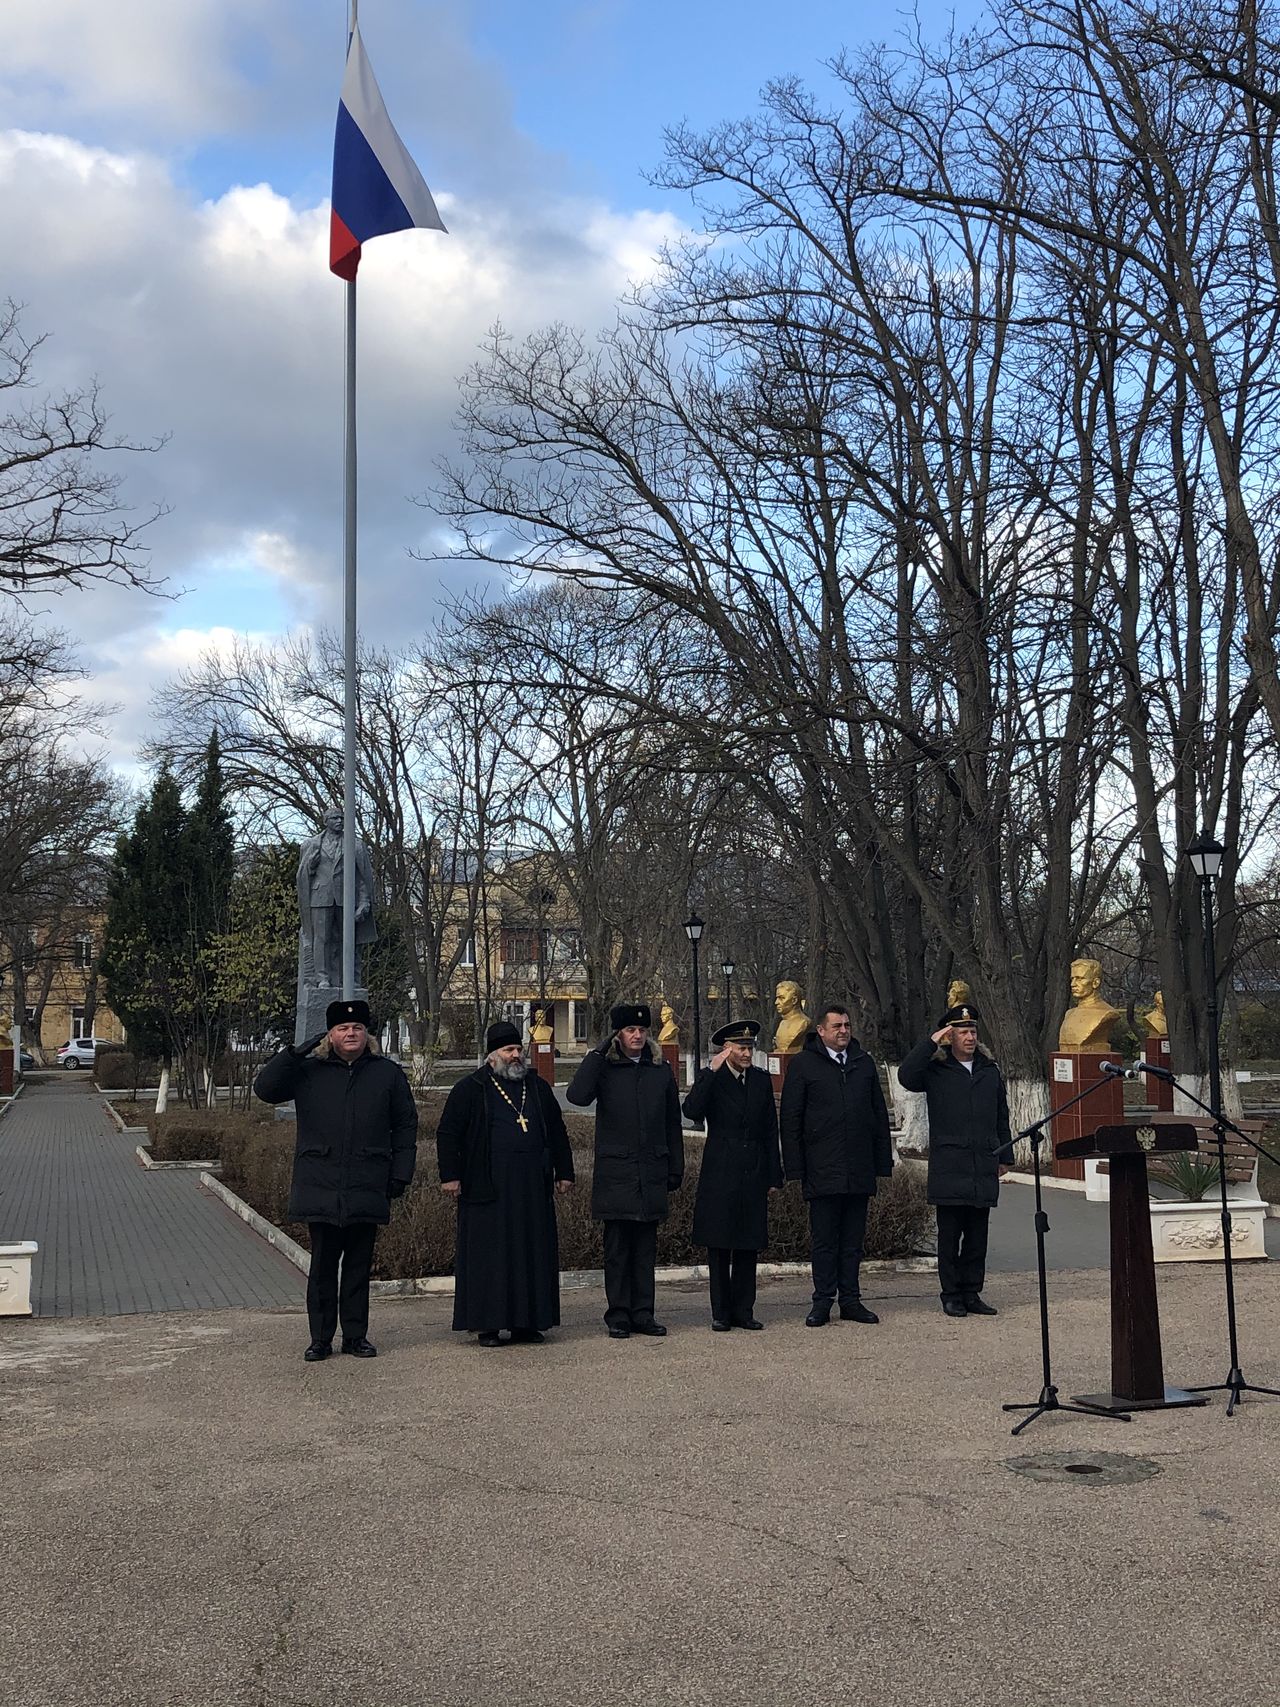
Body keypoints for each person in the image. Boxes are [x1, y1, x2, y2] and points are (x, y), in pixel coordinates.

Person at [254, 998, 417, 1361]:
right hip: (321, 1183)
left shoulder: (386, 1074)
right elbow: (265, 1090)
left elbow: (405, 1126)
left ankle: (356, 1336)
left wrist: (400, 1174)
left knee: (359, 1267)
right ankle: (321, 1338)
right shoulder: (309, 1071)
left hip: (367, 1181)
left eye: (357, 1028)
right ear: (330, 1034)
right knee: (323, 1267)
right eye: (343, 1028)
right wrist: (293, 1054)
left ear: (367, 1034)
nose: (351, 1033)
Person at [436, 1021, 575, 1347]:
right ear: (491, 1056)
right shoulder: (471, 1088)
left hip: (531, 1188)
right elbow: (447, 1134)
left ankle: (528, 1323)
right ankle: (488, 1324)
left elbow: (556, 1130)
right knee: (491, 1256)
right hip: (487, 1187)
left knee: (531, 1253)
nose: (515, 1056)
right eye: (508, 1050)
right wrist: (450, 1175)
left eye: (518, 1050)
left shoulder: (537, 1088)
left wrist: (564, 1171)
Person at [566, 1002, 683, 1339]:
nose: (637, 1035)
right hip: (616, 1175)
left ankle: (643, 1313)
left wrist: (675, 1166)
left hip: (651, 1172)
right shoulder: (605, 1070)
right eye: (630, 1030)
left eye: (642, 1030)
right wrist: (598, 1053)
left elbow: (672, 1124)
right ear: (618, 1034)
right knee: (617, 1251)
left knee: (645, 1251)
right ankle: (618, 1314)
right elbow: (577, 1095)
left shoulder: (659, 1071)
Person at [779, 1003, 893, 1327]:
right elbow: (791, 1120)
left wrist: (881, 1163)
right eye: (837, 1026)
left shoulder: (863, 1063)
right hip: (822, 1167)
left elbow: (878, 1116)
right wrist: (795, 1168)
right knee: (825, 1241)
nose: (843, 1031)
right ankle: (822, 1301)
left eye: (847, 1025)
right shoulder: (803, 1065)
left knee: (853, 1242)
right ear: (821, 1030)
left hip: (858, 1167)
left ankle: (851, 1300)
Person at [896, 1002, 1012, 1318]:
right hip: (950, 1165)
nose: (970, 1037)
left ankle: (972, 1293)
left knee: (977, 1238)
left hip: (982, 1164)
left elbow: (1002, 1115)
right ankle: (951, 1295)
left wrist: (1005, 1155)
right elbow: (906, 1076)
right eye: (962, 1032)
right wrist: (931, 1042)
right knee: (950, 1238)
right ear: (951, 1036)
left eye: (973, 1031)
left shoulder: (989, 1070)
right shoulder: (936, 1069)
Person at [683, 1019, 783, 1331]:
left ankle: (744, 1310)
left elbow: (769, 1128)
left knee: (747, 1243)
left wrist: (773, 1175)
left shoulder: (760, 1080)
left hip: (752, 1169)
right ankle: (721, 1312)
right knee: (719, 1244)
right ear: (725, 1050)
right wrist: (710, 1073)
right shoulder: (712, 1079)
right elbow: (692, 1111)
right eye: (741, 1047)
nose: (746, 1053)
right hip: (721, 1171)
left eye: (749, 1047)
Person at [1057, 958, 1124, 1053]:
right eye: (1072, 979)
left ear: (1095, 983)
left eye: (1080, 979)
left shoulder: (1107, 1013)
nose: (1073, 984)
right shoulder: (1069, 1014)